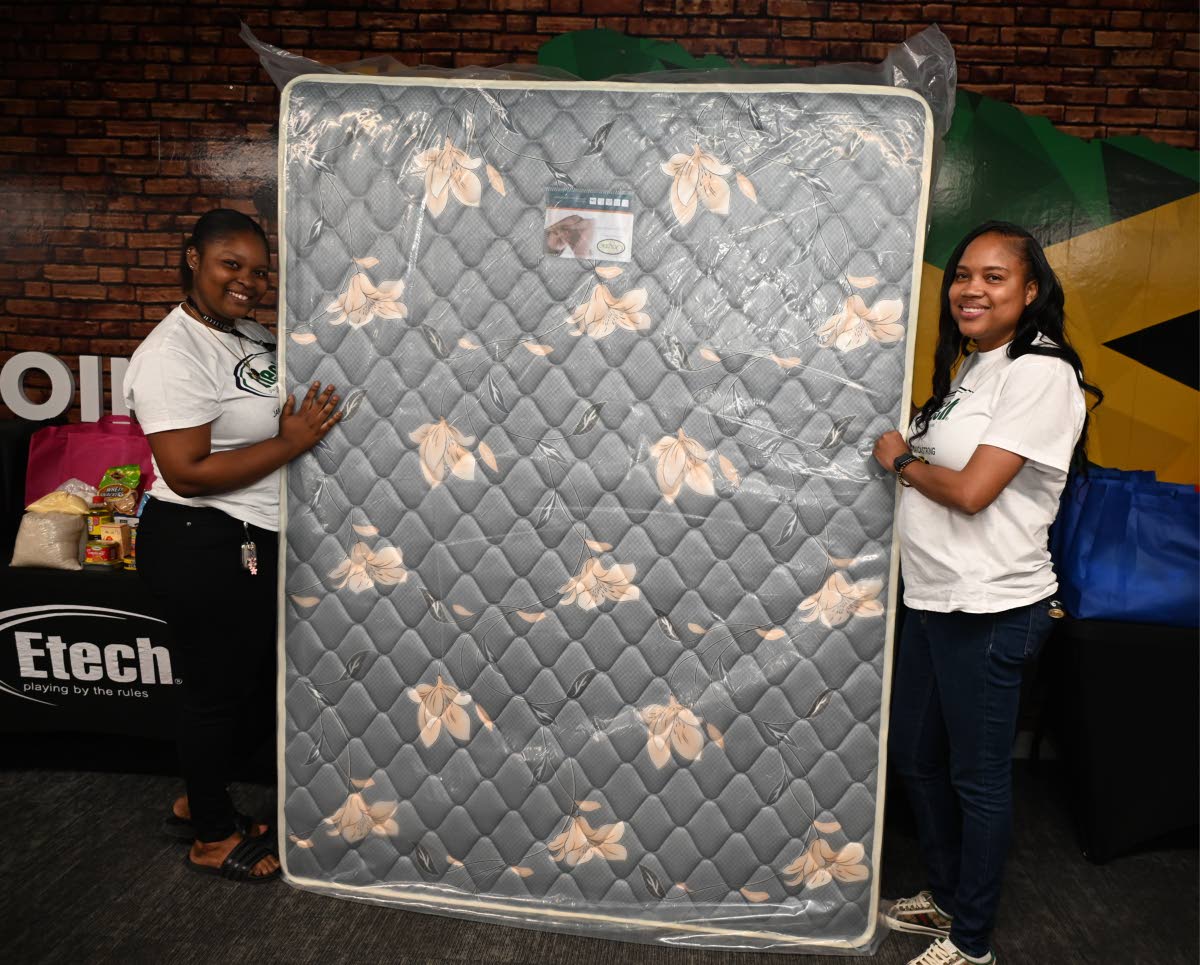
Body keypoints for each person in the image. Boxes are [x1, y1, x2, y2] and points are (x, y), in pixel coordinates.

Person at [872, 222, 1101, 965]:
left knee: (977, 776)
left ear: (1030, 291)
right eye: (963, 274)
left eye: (995, 276)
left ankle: (971, 942)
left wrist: (901, 459)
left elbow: (972, 491)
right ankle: (943, 892)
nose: (971, 288)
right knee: (914, 752)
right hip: (935, 597)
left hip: (994, 606)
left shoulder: (1040, 372)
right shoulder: (978, 366)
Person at [124, 208, 342, 882]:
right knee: (214, 693)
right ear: (193, 258)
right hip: (200, 538)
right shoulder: (171, 352)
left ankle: (202, 800)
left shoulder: (245, 334)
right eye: (231, 265)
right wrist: (291, 442)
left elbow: (264, 414)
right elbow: (186, 471)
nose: (249, 281)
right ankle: (212, 836)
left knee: (247, 687)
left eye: (258, 269)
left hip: (248, 534)